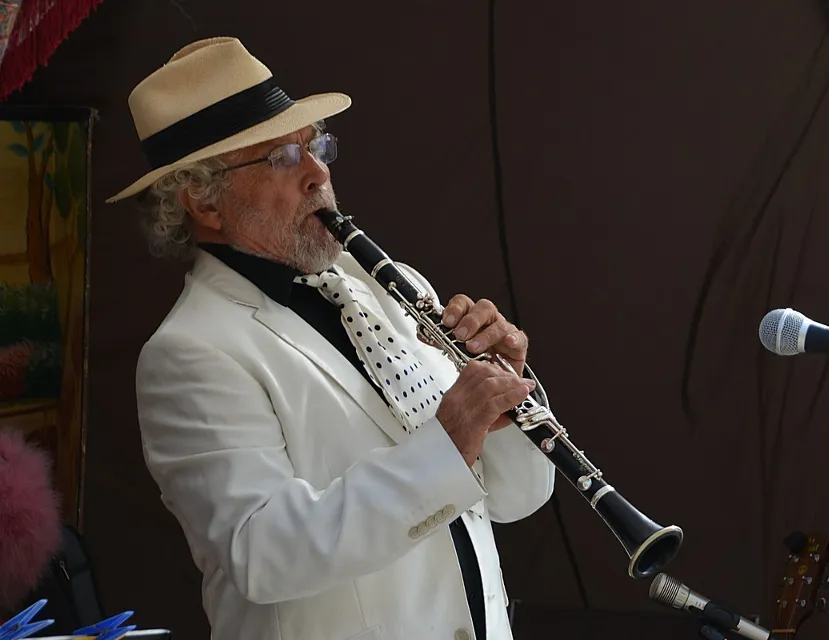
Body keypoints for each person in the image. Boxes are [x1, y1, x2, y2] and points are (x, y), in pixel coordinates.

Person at [107, 37, 556, 640]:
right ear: (203, 201)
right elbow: (263, 554)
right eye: (281, 159)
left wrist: (509, 398)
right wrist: (449, 439)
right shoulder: (190, 352)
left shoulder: (390, 288)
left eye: (315, 145)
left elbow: (512, 497)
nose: (318, 172)